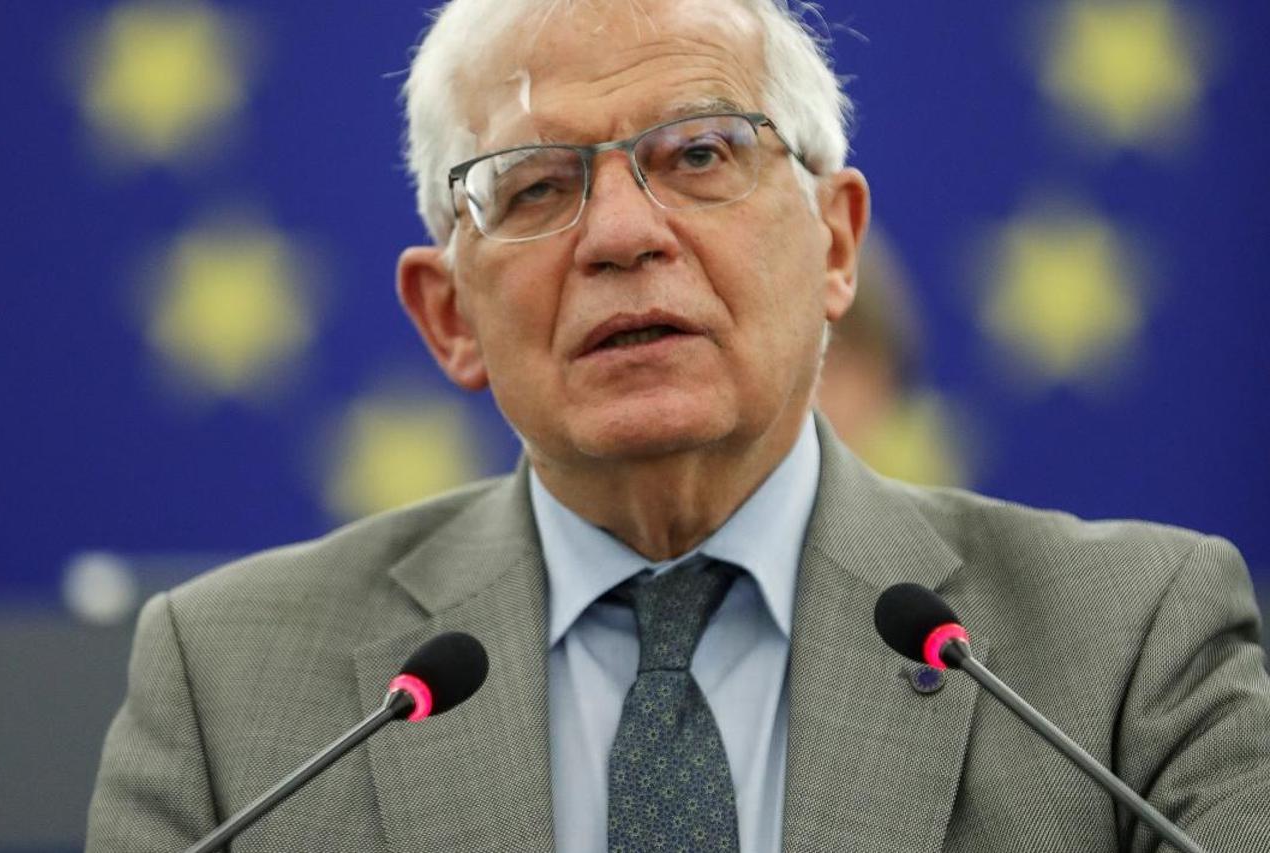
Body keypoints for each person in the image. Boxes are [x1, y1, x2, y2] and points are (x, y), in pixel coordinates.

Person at [87, 0, 1270, 850]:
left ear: (837, 246)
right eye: (536, 186)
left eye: (699, 153)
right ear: (448, 317)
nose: (620, 235)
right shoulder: (227, 686)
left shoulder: (1127, 649)